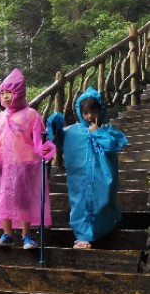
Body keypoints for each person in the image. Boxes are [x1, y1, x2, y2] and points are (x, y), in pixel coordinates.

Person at [0, 69, 56, 249]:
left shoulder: (31, 115)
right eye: (3, 93)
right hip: (2, 166)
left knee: (24, 200)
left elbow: (39, 139)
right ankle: (7, 234)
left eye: (10, 92)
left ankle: (26, 235)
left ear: (19, 93)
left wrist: (45, 149)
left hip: (24, 165)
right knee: (2, 199)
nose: (6, 97)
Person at [47, 87, 128, 249]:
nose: (90, 116)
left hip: (102, 177)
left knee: (103, 202)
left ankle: (103, 230)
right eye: (85, 113)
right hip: (80, 178)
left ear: (101, 110)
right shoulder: (72, 132)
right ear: (80, 112)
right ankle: (84, 236)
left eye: (94, 111)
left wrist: (97, 132)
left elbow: (114, 145)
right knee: (80, 204)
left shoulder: (107, 131)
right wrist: (53, 124)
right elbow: (53, 140)